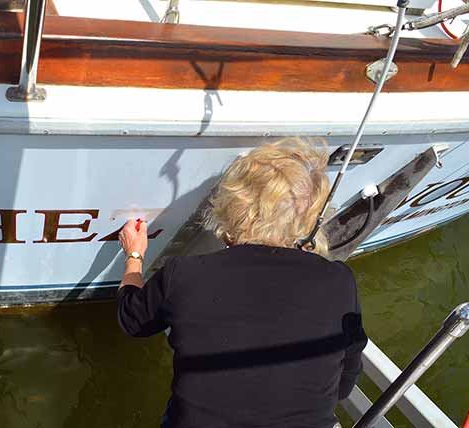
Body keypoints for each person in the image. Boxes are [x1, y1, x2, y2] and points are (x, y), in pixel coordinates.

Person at [117, 138, 368, 428]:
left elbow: (132, 320)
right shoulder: (339, 282)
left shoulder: (185, 274)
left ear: (233, 206)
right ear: (308, 217)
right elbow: (344, 383)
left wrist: (134, 255)